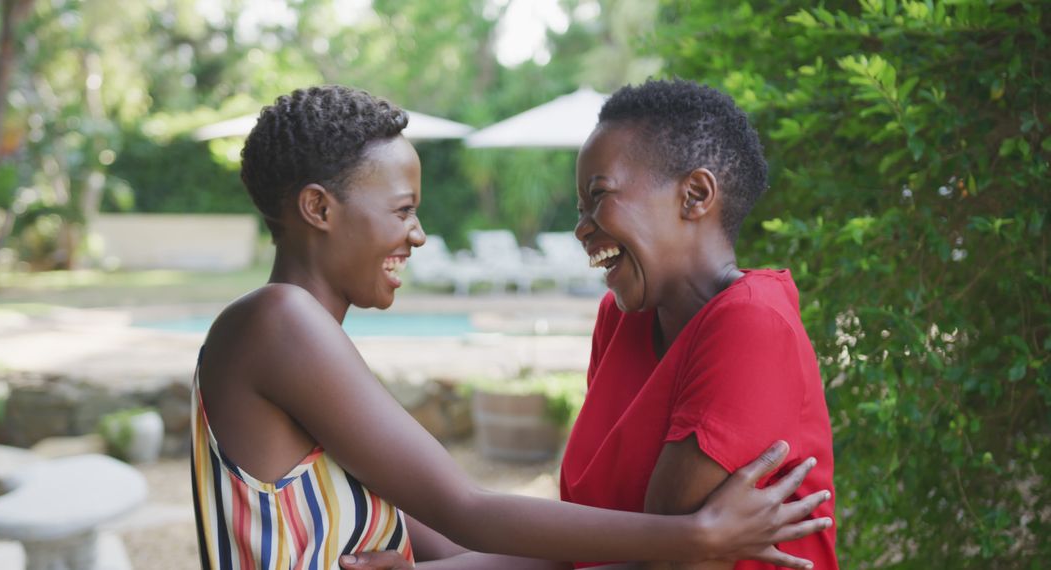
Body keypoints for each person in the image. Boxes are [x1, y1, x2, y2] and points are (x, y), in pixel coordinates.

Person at [191, 84, 833, 570]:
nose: (417, 234)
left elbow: (456, 531)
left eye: (597, 197)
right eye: (404, 210)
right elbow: (469, 512)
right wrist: (699, 538)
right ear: (318, 208)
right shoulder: (280, 322)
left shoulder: (737, 320)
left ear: (696, 196)